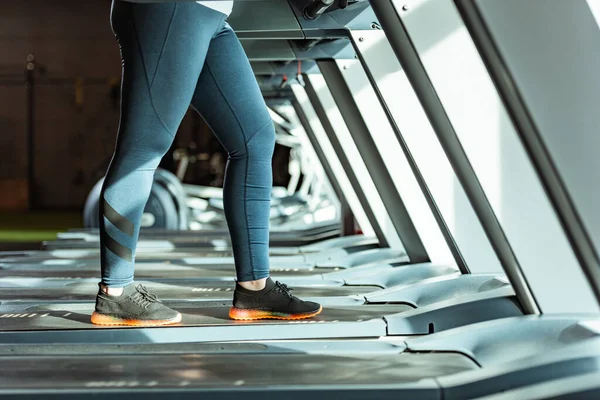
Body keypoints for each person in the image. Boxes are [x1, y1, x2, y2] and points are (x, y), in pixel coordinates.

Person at [90, 0, 322, 326]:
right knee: (142, 150)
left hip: (210, 14)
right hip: (172, 7)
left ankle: (255, 287)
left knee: (254, 140)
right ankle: (115, 295)